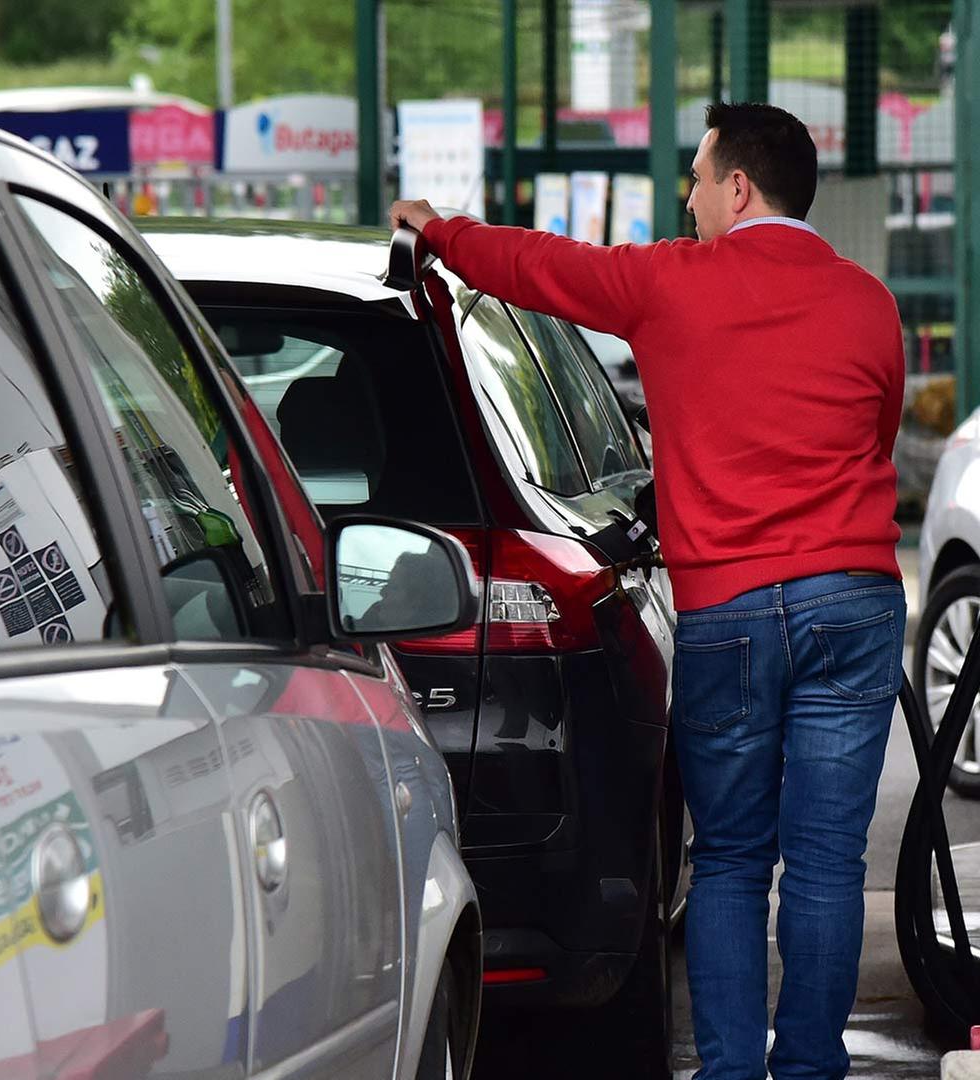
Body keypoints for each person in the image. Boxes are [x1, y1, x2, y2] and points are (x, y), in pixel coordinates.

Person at [391, 101, 905, 1080]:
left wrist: (437, 230)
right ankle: (809, 1070)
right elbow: (872, 437)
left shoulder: (670, 282)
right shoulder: (869, 302)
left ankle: (728, 1073)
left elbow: (537, 266)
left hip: (731, 613)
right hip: (855, 600)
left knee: (731, 862)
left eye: (699, 178)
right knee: (831, 863)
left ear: (739, 187)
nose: (689, 196)